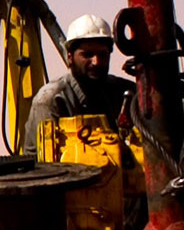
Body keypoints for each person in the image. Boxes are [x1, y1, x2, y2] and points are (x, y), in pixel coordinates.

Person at [23, 13, 134, 153]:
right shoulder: (51, 100)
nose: (96, 62)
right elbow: (47, 165)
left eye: (102, 54)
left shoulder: (125, 92)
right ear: (70, 57)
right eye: (87, 55)